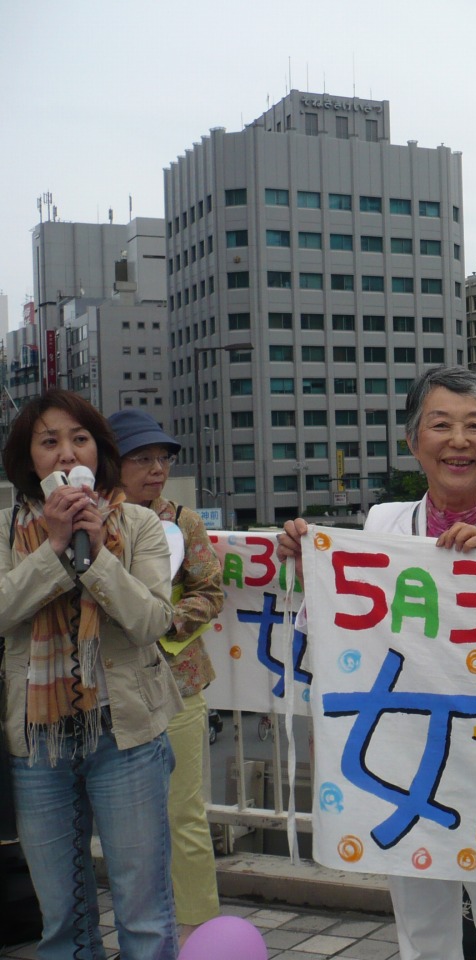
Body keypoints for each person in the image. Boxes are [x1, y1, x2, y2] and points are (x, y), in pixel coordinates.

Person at [277, 365, 476, 960]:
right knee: (421, 920)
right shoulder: (382, 523)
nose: (458, 441)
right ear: (412, 440)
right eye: (441, 425)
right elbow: (348, 629)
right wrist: (313, 573)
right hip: (406, 749)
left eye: (475, 425)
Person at [1, 389, 182, 959]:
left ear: (98, 451)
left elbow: (152, 620)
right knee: (61, 915)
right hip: (38, 742)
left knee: (143, 912)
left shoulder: (140, 524)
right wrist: (54, 548)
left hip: (125, 735)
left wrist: (97, 555)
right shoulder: (5, 530)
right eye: (48, 441)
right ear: (27, 458)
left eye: (78, 439)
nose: (65, 452)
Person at [108, 409, 225, 945]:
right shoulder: (93, 522)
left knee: (184, 812)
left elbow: (210, 591)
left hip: (179, 681)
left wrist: (162, 619)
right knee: (124, 822)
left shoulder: (183, 521)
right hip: (110, 686)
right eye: (142, 458)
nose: (157, 469)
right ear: (113, 463)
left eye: (163, 458)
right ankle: (144, 931)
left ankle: (198, 930)